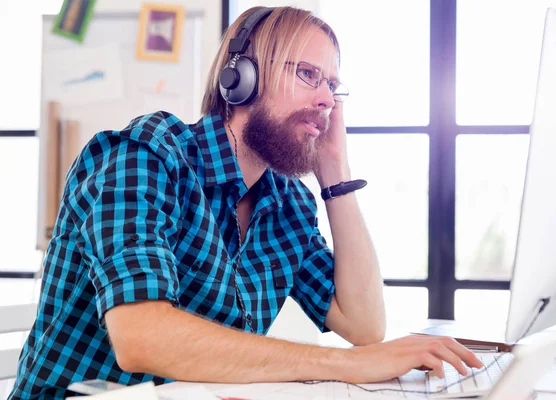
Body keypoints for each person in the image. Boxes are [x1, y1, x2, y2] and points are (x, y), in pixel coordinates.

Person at [9, 6, 483, 399]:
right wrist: (349, 365)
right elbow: (142, 336)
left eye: (332, 86)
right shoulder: (144, 156)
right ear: (242, 78)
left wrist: (335, 175)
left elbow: (362, 324)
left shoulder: (287, 203)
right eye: (307, 74)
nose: (326, 101)